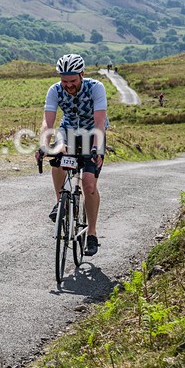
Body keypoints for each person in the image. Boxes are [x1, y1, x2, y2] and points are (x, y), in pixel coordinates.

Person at [36, 54, 108, 256]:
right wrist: (43, 145)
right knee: (57, 159)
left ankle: (92, 233)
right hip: (67, 132)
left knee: (89, 183)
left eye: (73, 81)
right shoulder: (55, 90)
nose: (68, 85)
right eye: (64, 81)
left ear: (82, 74)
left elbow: (100, 122)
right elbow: (47, 122)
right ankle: (62, 203)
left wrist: (95, 148)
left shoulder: (96, 88)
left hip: (92, 134)